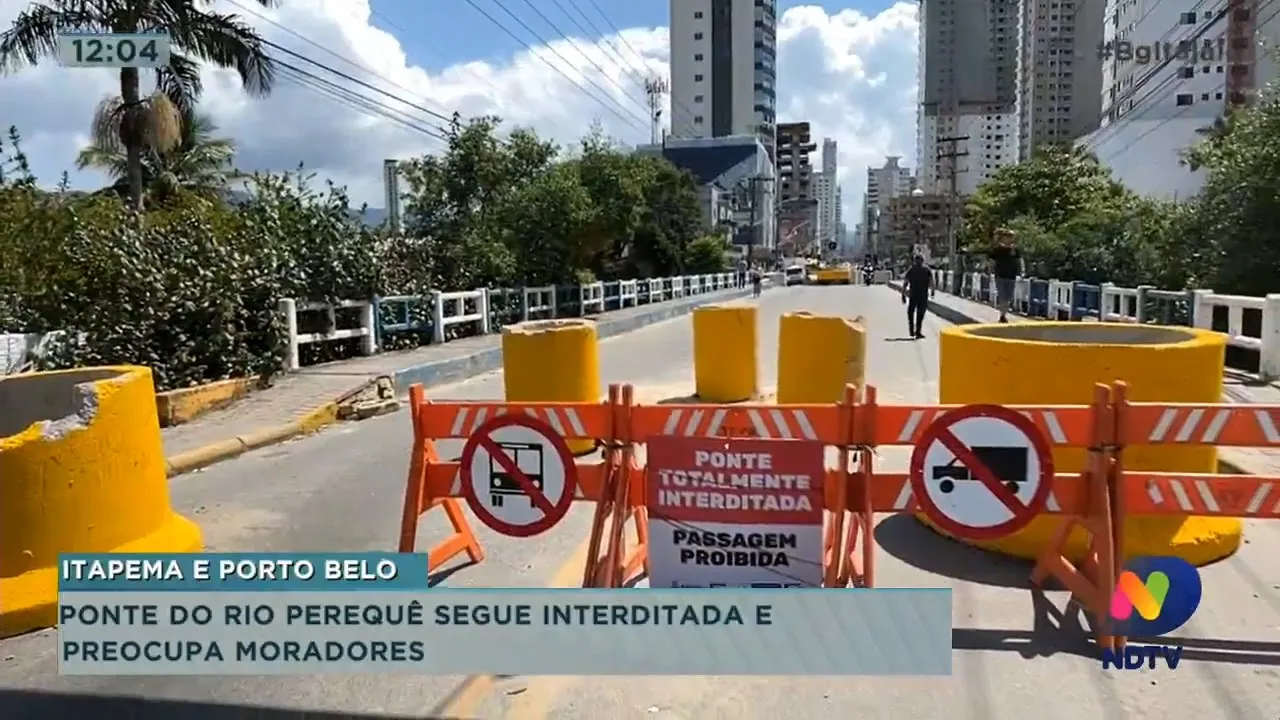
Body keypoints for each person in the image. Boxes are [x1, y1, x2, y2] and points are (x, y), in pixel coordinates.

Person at [987, 228, 1022, 323]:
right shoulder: (997, 249)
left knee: (1009, 297)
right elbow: (992, 262)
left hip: (1011, 276)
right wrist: (990, 273)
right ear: (1003, 238)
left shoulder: (1015, 250)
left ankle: (1003, 314)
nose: (1009, 239)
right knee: (1002, 296)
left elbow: (1019, 261)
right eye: (1007, 237)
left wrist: (1021, 272)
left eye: (1011, 237)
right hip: (1000, 275)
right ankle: (1002, 316)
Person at [901, 255, 932, 339]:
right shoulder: (926, 269)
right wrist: (933, 290)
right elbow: (932, 281)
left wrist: (903, 294)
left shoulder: (912, 269)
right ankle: (917, 331)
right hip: (922, 295)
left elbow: (905, 283)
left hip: (914, 295)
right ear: (923, 260)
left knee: (911, 312)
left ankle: (912, 330)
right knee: (920, 314)